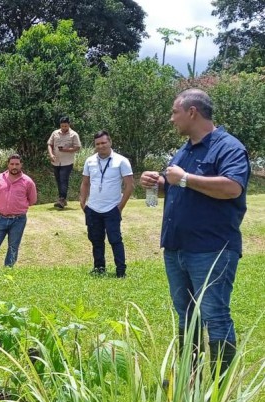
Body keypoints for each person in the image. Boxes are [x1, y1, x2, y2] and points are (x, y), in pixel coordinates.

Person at [140, 88, 250, 378]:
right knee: (186, 316)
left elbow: (232, 187)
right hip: (177, 248)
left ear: (192, 112)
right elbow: (178, 185)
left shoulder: (228, 147)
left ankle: (219, 388)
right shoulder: (185, 149)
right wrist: (157, 183)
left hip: (211, 249)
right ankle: (191, 380)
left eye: (175, 112)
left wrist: (185, 178)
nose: (171, 118)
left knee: (214, 315)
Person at [79, 131, 134, 278]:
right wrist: (82, 202)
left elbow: (129, 186)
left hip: (112, 208)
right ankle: (99, 268)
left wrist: (120, 207)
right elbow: (85, 183)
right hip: (93, 208)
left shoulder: (121, 161)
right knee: (96, 240)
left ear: (110, 142)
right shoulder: (89, 161)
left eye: (103, 143)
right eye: (97, 144)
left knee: (115, 240)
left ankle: (120, 271)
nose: (101, 146)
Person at [0, 154, 37, 268]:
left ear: (21, 165)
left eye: (17, 164)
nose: (14, 166)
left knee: (13, 246)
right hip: (0, 218)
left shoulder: (28, 182)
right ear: (8, 164)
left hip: (19, 220)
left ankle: (8, 270)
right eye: (12, 164)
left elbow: (32, 200)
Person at [47, 116, 82, 209]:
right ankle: (61, 199)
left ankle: (62, 199)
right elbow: (49, 144)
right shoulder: (55, 133)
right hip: (56, 161)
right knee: (58, 180)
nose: (64, 128)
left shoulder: (74, 134)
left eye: (66, 126)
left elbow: (77, 147)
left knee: (63, 179)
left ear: (69, 125)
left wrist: (66, 150)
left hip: (67, 162)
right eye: (62, 126)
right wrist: (51, 154)